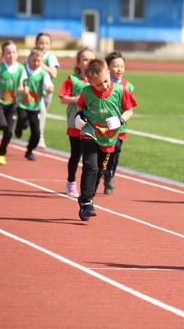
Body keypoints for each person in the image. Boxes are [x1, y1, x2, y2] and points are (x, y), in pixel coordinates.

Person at [74, 59, 137, 221]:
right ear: (90, 83)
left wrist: (120, 120)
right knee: (91, 166)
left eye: (105, 81)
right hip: (90, 133)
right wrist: (79, 115)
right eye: (99, 85)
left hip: (108, 138)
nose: (104, 86)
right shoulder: (86, 92)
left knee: (101, 170)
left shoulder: (120, 90)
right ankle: (87, 202)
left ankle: (87, 197)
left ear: (108, 73)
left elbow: (129, 110)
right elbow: (80, 105)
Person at [0, 40, 28, 165]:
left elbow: (20, 86)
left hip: (11, 104)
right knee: (2, 125)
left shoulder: (21, 68)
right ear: (3, 54)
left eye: (13, 52)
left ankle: (0, 154)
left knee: (8, 131)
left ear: (17, 54)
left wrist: (24, 90)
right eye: (8, 53)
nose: (11, 55)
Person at [58, 47, 96, 197]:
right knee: (76, 154)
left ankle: (88, 186)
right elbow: (62, 99)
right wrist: (76, 99)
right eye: (85, 60)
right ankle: (71, 182)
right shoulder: (72, 80)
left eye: (91, 60)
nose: (88, 63)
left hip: (93, 125)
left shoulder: (97, 80)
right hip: (76, 124)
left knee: (91, 158)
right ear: (78, 63)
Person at [102, 51, 135, 195]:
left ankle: (109, 175)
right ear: (108, 68)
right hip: (102, 128)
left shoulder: (128, 86)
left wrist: (121, 120)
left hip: (120, 128)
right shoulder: (103, 84)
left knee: (116, 152)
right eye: (115, 66)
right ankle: (101, 172)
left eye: (122, 66)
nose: (119, 69)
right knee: (104, 154)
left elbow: (129, 107)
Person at [14, 48, 54, 161]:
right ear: (29, 59)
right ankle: (19, 127)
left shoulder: (43, 73)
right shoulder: (23, 70)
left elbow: (48, 86)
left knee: (36, 132)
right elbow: (16, 84)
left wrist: (49, 89)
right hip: (22, 104)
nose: (36, 63)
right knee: (24, 123)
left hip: (35, 106)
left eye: (38, 61)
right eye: (33, 60)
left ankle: (30, 150)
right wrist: (22, 90)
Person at [34, 32, 60, 149]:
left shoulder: (51, 57)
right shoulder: (32, 56)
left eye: (46, 43)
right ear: (36, 44)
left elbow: (54, 73)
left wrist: (41, 64)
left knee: (41, 113)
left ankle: (36, 132)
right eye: (41, 43)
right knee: (42, 111)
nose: (43, 45)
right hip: (34, 90)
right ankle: (40, 137)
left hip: (47, 91)